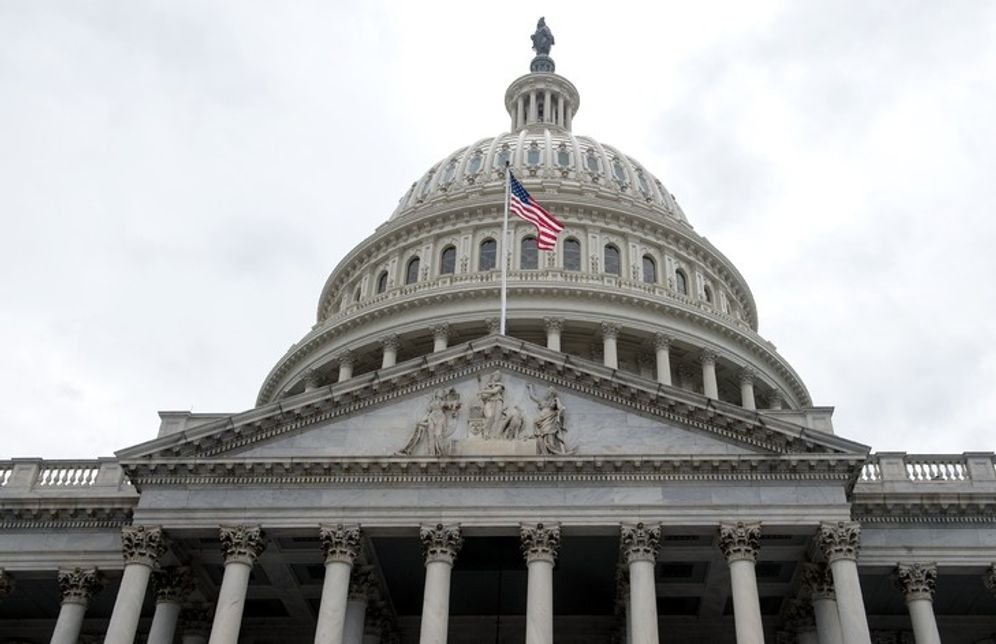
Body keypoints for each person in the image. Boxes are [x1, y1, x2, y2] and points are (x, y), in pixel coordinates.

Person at [528, 384, 569, 455]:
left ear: (553, 393)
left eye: (550, 391)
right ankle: (545, 451)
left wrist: (557, 400)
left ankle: (552, 451)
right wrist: (530, 387)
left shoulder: (555, 400)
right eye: (548, 391)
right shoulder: (543, 401)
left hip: (550, 421)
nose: (548, 393)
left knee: (549, 437)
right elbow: (533, 397)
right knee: (542, 437)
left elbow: (560, 408)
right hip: (541, 422)